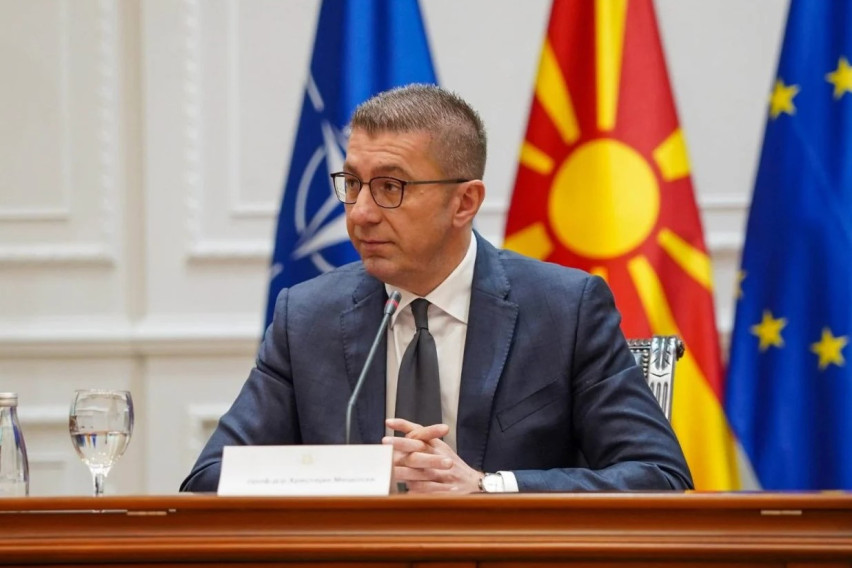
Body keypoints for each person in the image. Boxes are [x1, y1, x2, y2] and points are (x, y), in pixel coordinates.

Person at [181, 84, 693, 493]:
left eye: (390, 187)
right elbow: (208, 480)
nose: (360, 213)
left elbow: (658, 475)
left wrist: (486, 486)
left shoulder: (565, 309)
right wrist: (357, 478)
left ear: (464, 203)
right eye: (353, 184)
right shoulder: (307, 315)